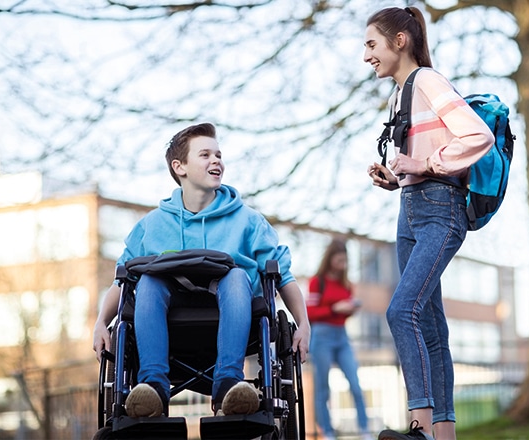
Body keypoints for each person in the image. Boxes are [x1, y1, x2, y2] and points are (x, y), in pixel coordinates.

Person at [92, 122, 311, 418]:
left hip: (234, 315)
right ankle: (152, 389)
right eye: (205, 155)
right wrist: (101, 323)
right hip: (168, 322)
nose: (216, 160)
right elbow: (122, 279)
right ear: (179, 167)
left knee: (235, 275)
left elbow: (281, 275)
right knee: (149, 280)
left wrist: (304, 323)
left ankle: (229, 387)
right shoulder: (152, 225)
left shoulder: (248, 221)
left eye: (218, 154)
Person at [363, 7, 495, 440]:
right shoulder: (398, 94)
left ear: (399, 41)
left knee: (402, 311)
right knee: (432, 328)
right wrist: (395, 177)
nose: (366, 56)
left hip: (441, 209)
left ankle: (418, 427)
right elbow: (417, 163)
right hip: (410, 209)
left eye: (371, 45)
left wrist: (424, 163)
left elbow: (477, 136)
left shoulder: (430, 82)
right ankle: (443, 436)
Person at [306, 239, 372, 440]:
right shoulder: (317, 282)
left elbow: (344, 314)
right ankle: (327, 432)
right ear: (331, 258)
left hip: (341, 336)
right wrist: (335, 308)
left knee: (355, 383)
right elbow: (310, 312)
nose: (342, 264)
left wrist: (349, 309)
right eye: (339, 260)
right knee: (323, 388)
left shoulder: (347, 284)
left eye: (345, 260)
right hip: (322, 336)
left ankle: (365, 430)